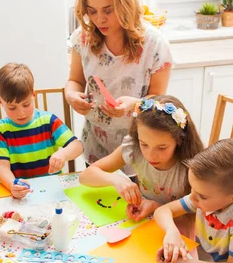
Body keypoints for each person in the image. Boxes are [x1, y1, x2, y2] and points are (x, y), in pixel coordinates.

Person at [65, 0, 173, 173]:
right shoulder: (82, 38)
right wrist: (71, 96)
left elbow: (159, 100)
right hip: (95, 147)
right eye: (92, 11)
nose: (99, 19)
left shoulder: (155, 44)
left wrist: (134, 104)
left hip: (139, 150)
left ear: (125, 3)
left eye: (108, 10)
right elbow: (75, 81)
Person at [79, 95, 203, 236]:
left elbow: (198, 219)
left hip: (177, 234)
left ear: (180, 139)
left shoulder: (193, 167)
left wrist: (155, 207)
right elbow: (85, 176)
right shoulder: (133, 147)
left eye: (162, 148)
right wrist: (116, 180)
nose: (150, 155)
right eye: (144, 144)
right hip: (145, 226)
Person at [0, 63, 83, 199]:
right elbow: (1, 167)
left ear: (34, 94)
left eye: (26, 104)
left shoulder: (48, 121)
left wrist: (63, 154)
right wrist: (12, 185)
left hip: (53, 190)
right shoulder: (0, 130)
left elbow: (77, 146)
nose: (20, 113)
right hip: (23, 194)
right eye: (12, 107)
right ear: (0, 102)